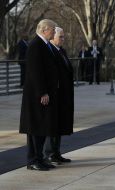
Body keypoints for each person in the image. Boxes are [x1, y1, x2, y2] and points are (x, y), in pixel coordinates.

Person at [19, 19, 58, 171]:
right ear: (44, 30)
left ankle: (39, 158)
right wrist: (42, 92)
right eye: (52, 30)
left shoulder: (45, 45)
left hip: (43, 93)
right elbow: (35, 72)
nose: (54, 32)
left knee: (42, 127)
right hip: (37, 95)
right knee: (35, 128)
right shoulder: (36, 45)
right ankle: (33, 160)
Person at [44, 27, 74, 164]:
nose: (63, 39)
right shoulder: (49, 51)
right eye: (60, 37)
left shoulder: (61, 51)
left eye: (63, 36)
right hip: (55, 94)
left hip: (63, 94)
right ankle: (50, 153)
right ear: (52, 37)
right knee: (52, 126)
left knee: (60, 124)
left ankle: (56, 153)